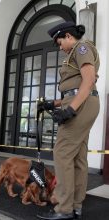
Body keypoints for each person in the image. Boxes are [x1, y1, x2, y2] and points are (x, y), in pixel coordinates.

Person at [37, 21, 100, 220]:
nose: (59, 47)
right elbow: (73, 88)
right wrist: (53, 104)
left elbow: (88, 81)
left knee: (62, 152)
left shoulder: (81, 48)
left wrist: (70, 110)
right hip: (82, 102)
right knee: (78, 158)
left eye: (59, 42)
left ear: (68, 36)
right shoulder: (74, 53)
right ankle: (75, 207)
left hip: (80, 104)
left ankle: (63, 208)